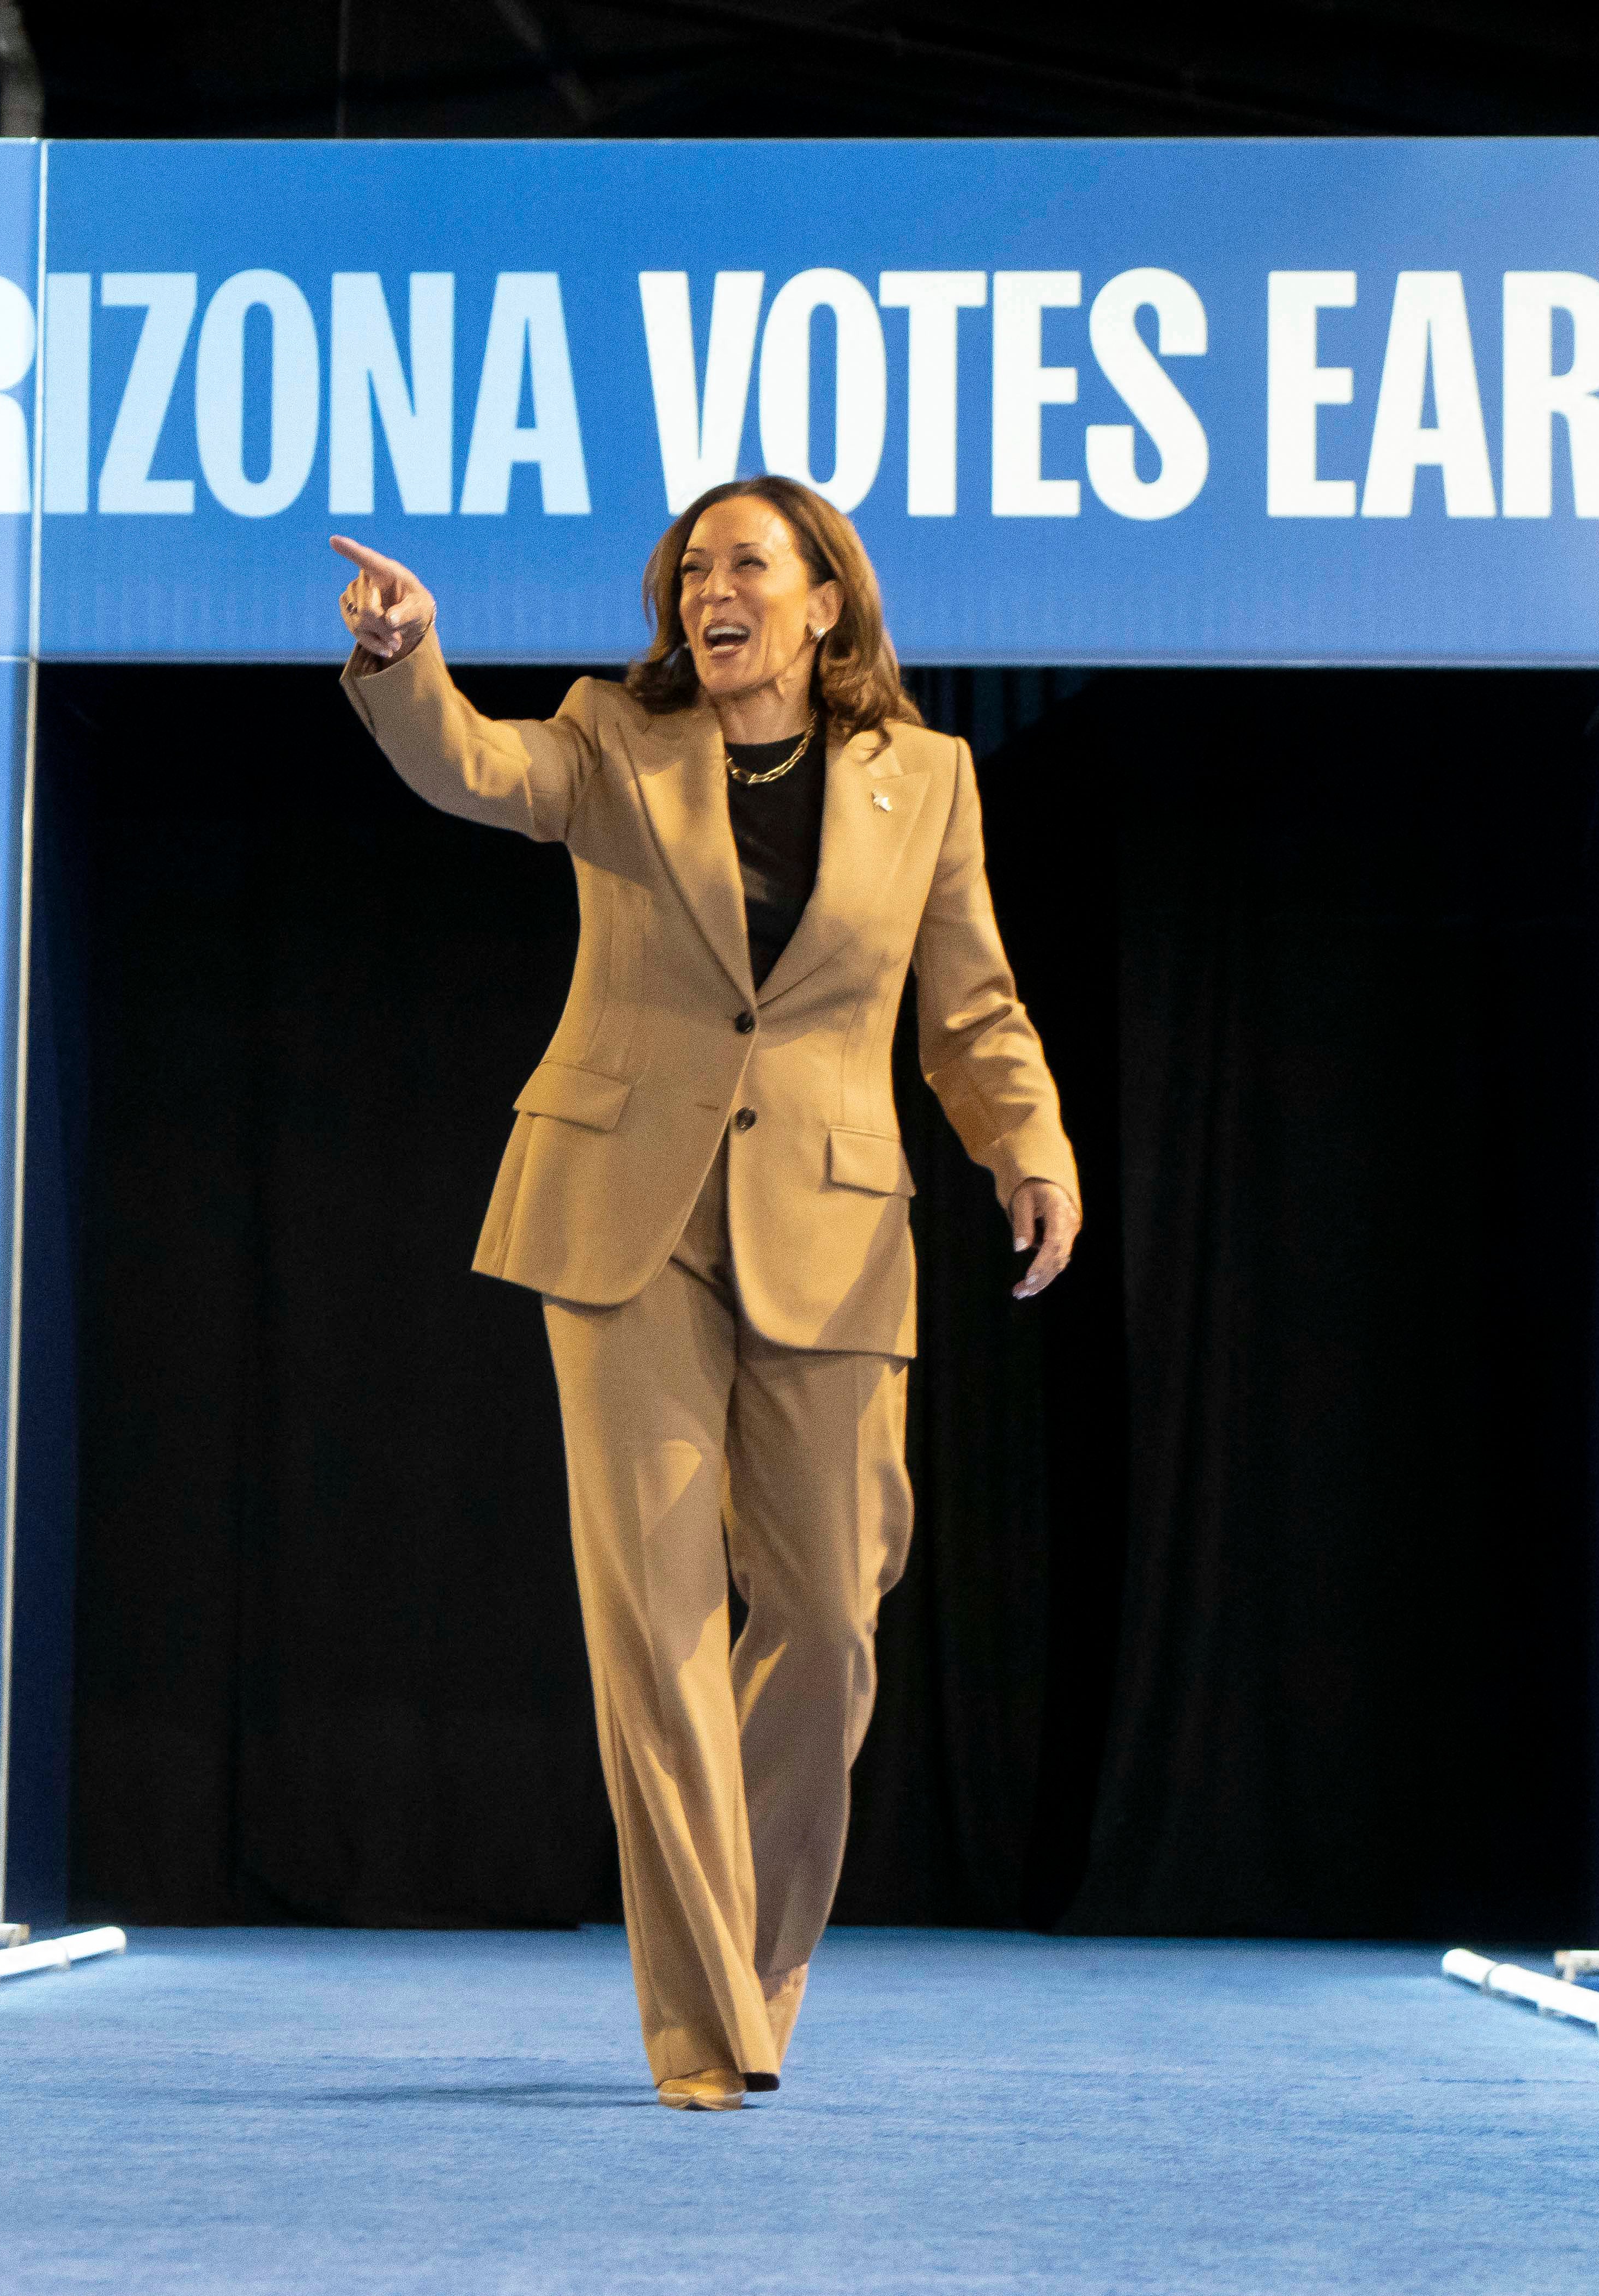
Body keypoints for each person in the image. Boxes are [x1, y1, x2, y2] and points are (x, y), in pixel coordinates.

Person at [330, 478, 1080, 2110]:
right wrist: (409, 665)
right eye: (689, 571)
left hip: (831, 1225)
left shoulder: (925, 783)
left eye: (746, 565)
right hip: (622, 1220)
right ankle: (703, 2030)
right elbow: (478, 767)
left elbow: (968, 1006)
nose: (706, 591)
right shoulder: (612, 735)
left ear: (826, 603)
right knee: (659, 1627)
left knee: (824, 1626)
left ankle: (748, 1971)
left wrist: (1027, 1143)